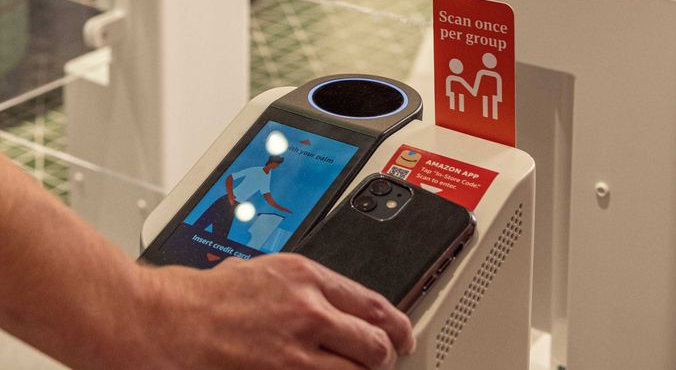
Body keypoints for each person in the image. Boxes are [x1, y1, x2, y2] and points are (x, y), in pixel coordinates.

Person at [0, 152, 414, 370]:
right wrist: (153, 314)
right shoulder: (257, 173)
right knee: (217, 231)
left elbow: (267, 197)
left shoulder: (269, 177)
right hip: (221, 207)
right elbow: (235, 181)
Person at [194, 153, 291, 242]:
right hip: (226, 201)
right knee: (199, 226)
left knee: (220, 237)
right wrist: (231, 195)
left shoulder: (267, 176)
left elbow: (268, 198)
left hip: (235, 206)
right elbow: (230, 178)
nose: (278, 166)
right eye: (277, 164)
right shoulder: (255, 170)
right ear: (272, 162)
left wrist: (282, 209)